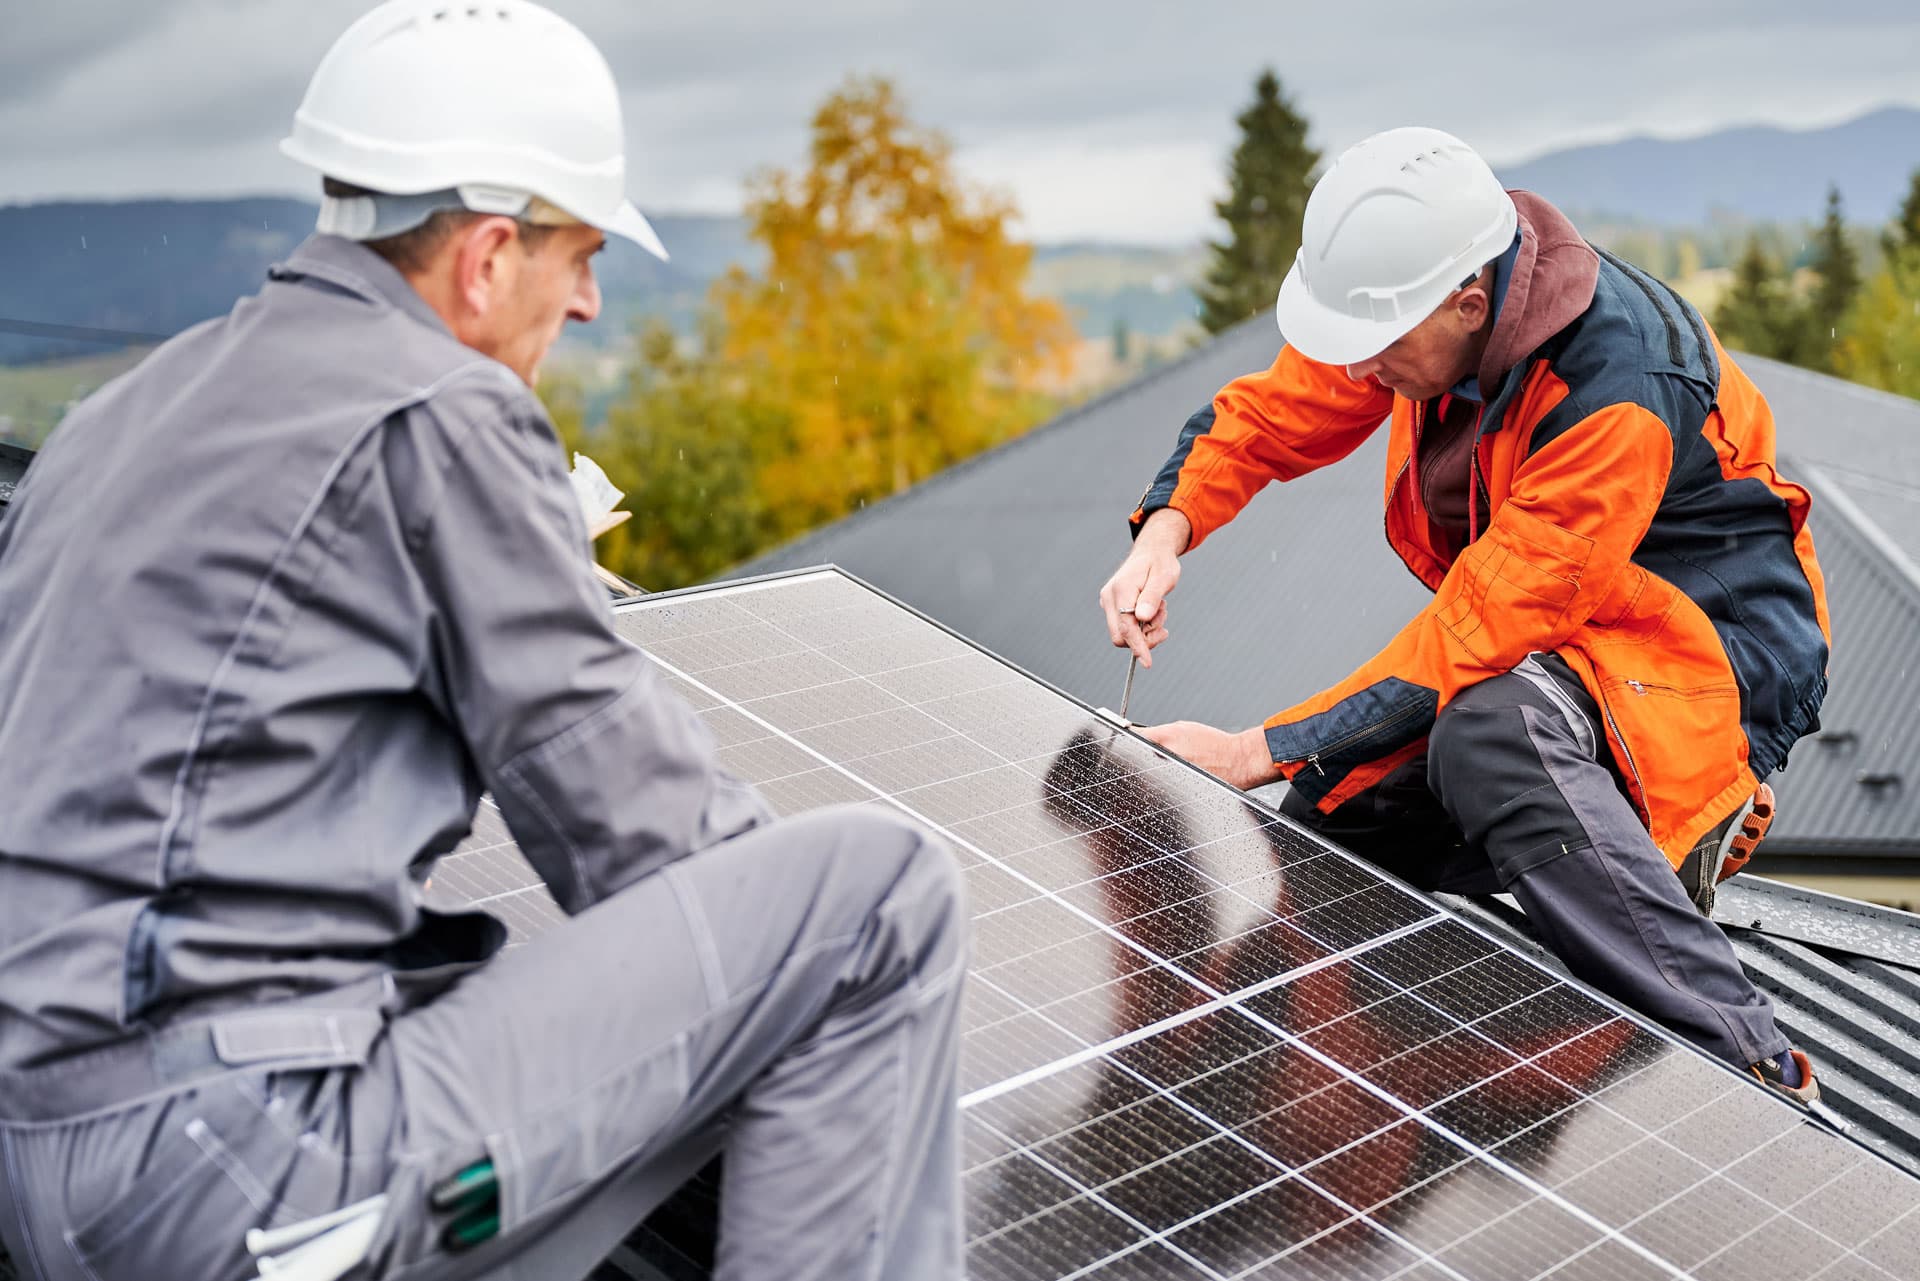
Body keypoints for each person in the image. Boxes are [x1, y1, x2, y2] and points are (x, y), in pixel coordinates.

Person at [0, 4, 965, 1279]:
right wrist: (793, 1002)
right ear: (489, 257)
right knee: (877, 901)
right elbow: (646, 835)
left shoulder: (126, 410)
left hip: (41, 1167)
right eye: (577, 257)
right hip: (229, 1166)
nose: (587, 302)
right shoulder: (440, 408)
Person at [1099, 127, 1828, 1103]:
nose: (1359, 375)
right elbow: (1273, 413)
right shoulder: (1419, 305)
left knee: (1488, 737)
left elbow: (1483, 632)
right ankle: (1376, 1081)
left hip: (1698, 656)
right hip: (1563, 628)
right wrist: (1165, 533)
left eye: (1377, 353)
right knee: (1335, 808)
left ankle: (1752, 1063)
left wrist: (1247, 750)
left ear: (1470, 303)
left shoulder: (1621, 390)